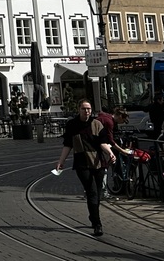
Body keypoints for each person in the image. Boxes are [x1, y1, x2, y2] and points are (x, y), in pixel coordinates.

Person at [55, 99, 114, 237]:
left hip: (98, 162)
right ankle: (98, 224)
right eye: (84, 108)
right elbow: (68, 144)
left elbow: (103, 143)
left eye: (88, 108)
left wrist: (110, 153)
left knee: (97, 193)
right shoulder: (72, 125)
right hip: (82, 163)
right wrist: (61, 161)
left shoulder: (97, 124)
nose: (86, 111)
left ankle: (93, 217)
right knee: (92, 191)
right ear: (79, 109)